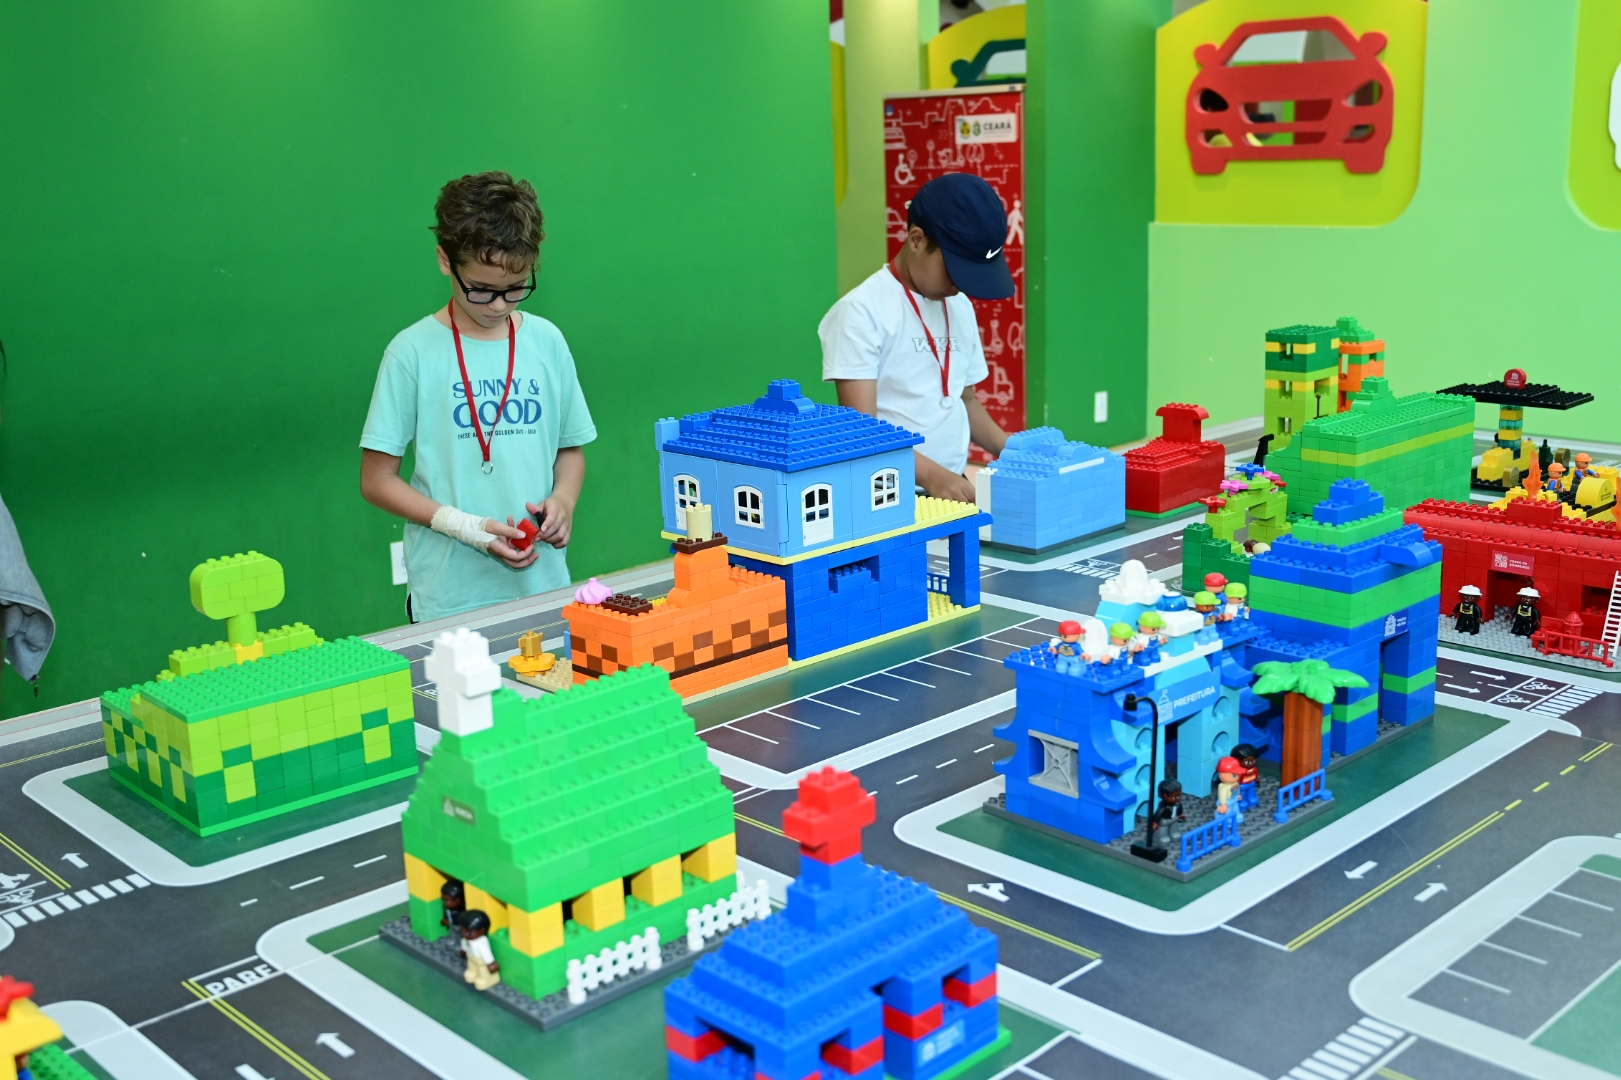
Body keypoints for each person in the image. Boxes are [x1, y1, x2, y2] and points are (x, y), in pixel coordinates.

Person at [360, 172, 597, 622]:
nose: (499, 305)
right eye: (482, 289)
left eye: (516, 287)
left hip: (543, 587)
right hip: (449, 599)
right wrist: (467, 527)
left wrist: (564, 500)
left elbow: (569, 450)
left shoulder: (547, 342)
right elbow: (376, 480)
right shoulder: (411, 352)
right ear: (445, 261)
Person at [820, 173, 1015, 503]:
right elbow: (862, 432)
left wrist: (1010, 448)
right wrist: (934, 477)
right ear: (916, 240)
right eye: (954, 271)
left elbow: (965, 400)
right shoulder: (861, 312)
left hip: (949, 485)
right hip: (888, 493)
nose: (959, 286)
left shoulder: (959, 306)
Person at [459, 909, 501, 991]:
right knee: (472, 966)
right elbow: (464, 944)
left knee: (483, 970)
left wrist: (490, 963)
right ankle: (473, 972)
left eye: (469, 932)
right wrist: (463, 950)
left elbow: (486, 953)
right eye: (462, 931)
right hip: (471, 957)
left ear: (482, 930)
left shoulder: (481, 942)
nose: (465, 934)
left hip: (481, 960)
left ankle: (487, 979)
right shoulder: (466, 939)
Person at [1150, 779, 1186, 850]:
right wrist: (1155, 822)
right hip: (1164, 821)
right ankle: (1161, 838)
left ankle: (1174, 834)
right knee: (1162, 829)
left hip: (1174, 819)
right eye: (1174, 797)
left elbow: (1179, 810)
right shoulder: (1163, 807)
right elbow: (1158, 814)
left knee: (1174, 826)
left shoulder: (1178, 804)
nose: (1178, 798)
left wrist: (1180, 815)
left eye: (1179, 795)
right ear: (1165, 796)